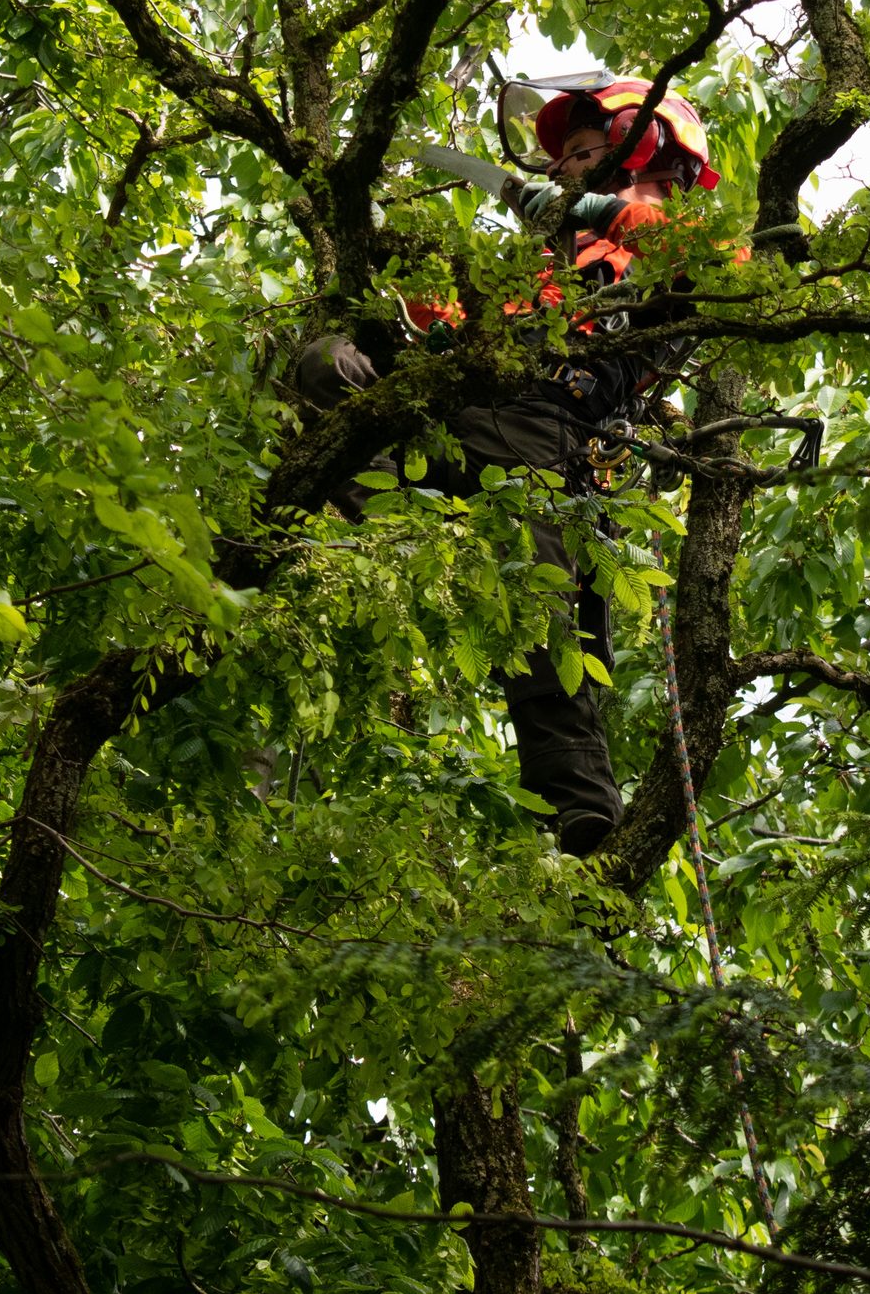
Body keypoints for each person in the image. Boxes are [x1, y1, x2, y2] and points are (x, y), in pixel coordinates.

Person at [296, 81, 718, 856]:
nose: (561, 172)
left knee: (547, 620)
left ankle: (580, 813)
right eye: (560, 164)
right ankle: (396, 537)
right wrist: (403, 285)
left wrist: (591, 211)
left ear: (642, 146)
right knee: (328, 368)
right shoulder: (541, 266)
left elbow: (712, 259)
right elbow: (450, 322)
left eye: (583, 155)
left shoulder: (668, 240)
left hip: (548, 426)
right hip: (468, 402)